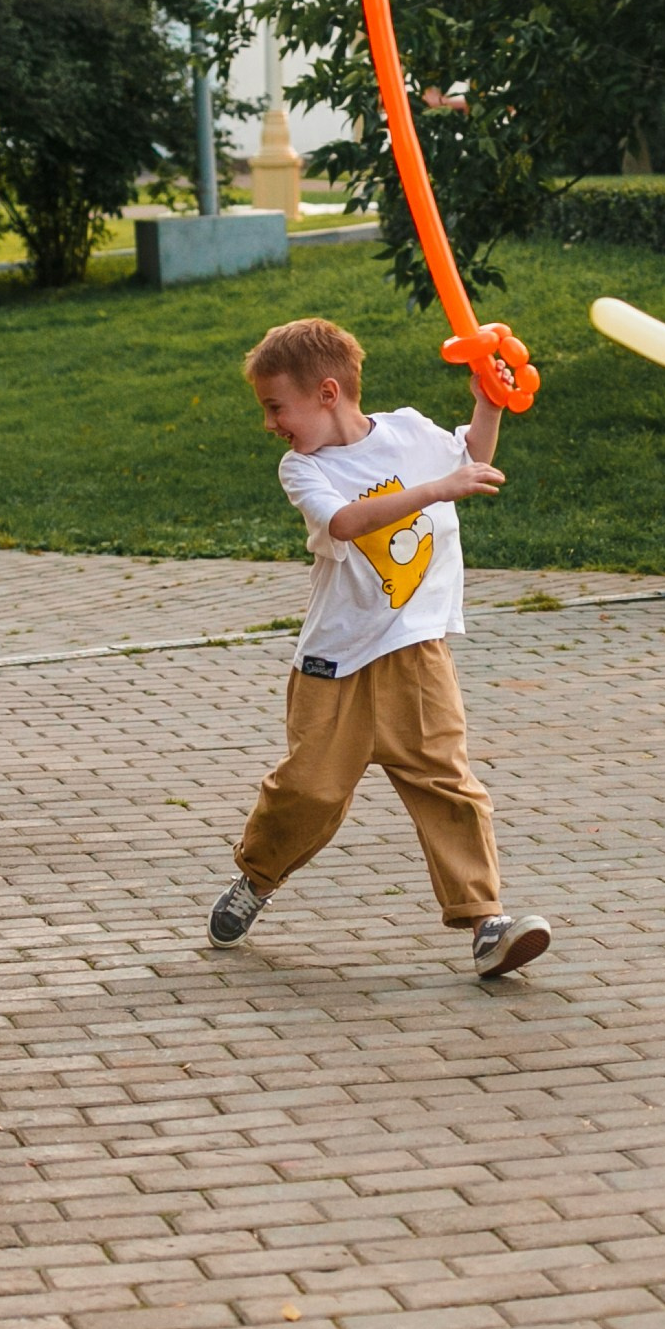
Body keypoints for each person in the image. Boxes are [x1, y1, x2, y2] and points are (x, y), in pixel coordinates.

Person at [208, 317, 552, 979]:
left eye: (276, 406)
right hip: (335, 662)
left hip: (416, 648)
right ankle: (256, 877)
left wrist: (488, 398)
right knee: (311, 791)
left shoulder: (411, 433)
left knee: (447, 783)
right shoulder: (303, 468)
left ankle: (488, 924)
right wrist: (434, 492)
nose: (271, 422)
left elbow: (471, 456)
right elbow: (345, 523)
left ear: (327, 392)